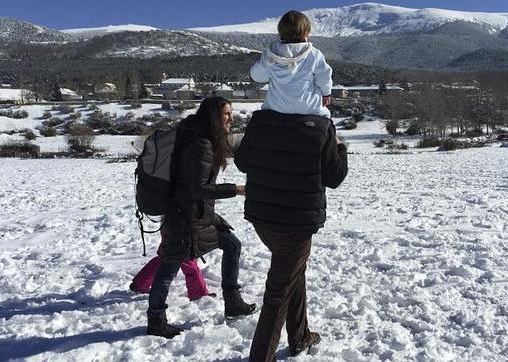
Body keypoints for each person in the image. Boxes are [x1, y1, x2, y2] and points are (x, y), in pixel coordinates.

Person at [234, 113, 348, 358]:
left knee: (293, 273)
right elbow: (335, 176)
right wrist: (340, 147)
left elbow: (242, 162)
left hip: (262, 216)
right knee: (278, 293)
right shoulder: (321, 125)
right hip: (295, 224)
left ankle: (300, 336)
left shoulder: (261, 119)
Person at [146, 96, 256, 339]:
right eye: (226, 114)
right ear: (214, 116)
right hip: (185, 217)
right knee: (168, 268)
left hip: (196, 215)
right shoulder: (201, 144)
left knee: (232, 244)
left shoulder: (197, 135)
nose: (231, 118)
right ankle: (156, 320)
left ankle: (233, 300)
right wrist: (235, 189)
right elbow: (198, 189)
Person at [250, 10, 333, 118]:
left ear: (280, 31)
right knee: (326, 117)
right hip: (309, 108)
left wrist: (268, 75)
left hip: (276, 108)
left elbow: (257, 76)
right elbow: (324, 76)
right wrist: (326, 93)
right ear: (306, 32)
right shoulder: (314, 54)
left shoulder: (269, 54)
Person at [129, 230, 212, 301]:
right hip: (180, 225)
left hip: (173, 224)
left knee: (166, 257)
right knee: (186, 258)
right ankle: (198, 292)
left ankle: (140, 283)